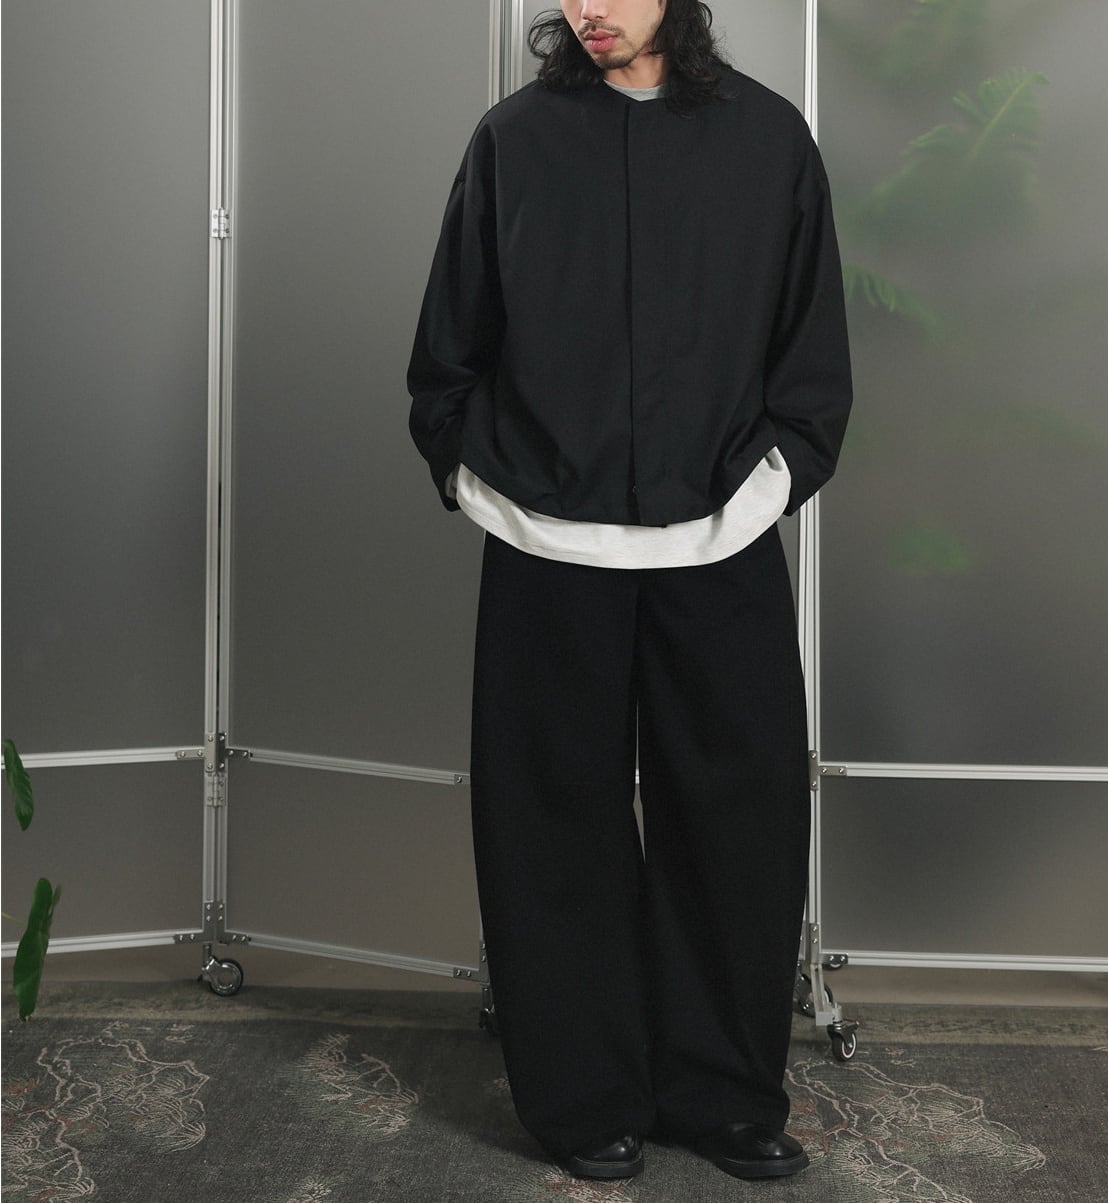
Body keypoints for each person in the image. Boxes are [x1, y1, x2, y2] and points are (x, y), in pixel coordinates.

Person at [407, 0, 852, 1182]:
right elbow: (448, 356)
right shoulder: (511, 143)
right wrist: (489, 481)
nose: (587, 6)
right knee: (551, 826)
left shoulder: (770, 142)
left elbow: (811, 359)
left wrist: (757, 491)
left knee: (740, 824)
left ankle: (724, 1093)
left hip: (721, 539)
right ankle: (582, 1096)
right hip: (547, 544)